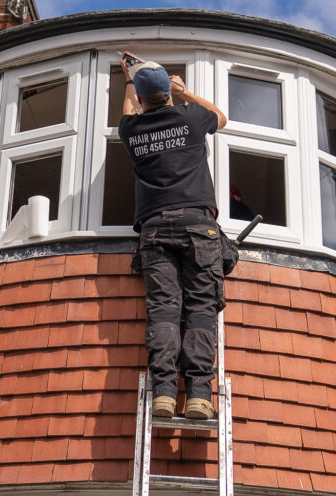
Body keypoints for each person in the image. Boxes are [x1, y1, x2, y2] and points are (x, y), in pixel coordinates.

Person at [119, 57, 227, 419]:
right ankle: (198, 395)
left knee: (164, 310)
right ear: (169, 91)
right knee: (200, 309)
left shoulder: (131, 130)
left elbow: (129, 109)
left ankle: (164, 393)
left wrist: (129, 80)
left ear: (142, 98)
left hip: (154, 228)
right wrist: (185, 92)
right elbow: (221, 117)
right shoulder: (192, 118)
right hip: (198, 223)